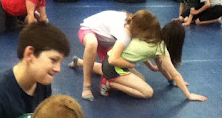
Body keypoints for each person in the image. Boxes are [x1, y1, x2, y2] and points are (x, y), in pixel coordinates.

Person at [69, 21, 207, 101]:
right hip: (116, 66)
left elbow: (156, 63)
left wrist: (171, 80)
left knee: (140, 78)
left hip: (112, 59)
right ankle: (110, 84)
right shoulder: (162, 48)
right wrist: (188, 95)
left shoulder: (153, 36)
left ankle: (80, 62)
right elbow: (175, 73)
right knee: (148, 92)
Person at [77, 9, 164, 101]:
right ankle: (87, 85)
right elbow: (113, 60)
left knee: (112, 68)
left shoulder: (132, 22)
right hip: (89, 30)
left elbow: (138, 53)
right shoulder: (125, 35)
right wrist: (130, 65)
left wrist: (151, 66)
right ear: (141, 29)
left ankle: (80, 62)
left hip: (106, 40)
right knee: (92, 44)